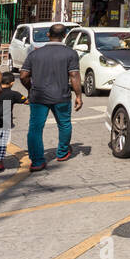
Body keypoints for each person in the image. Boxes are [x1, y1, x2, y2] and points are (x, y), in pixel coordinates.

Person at [20, 23, 83, 170]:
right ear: (64, 36)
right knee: (64, 124)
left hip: (38, 97)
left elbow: (23, 75)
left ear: (48, 35)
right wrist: (79, 96)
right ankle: (62, 153)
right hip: (61, 96)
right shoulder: (70, 53)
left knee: (35, 128)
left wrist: (31, 88)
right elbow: (74, 75)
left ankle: (37, 161)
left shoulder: (35, 54)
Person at [0, 71, 27, 171]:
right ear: (12, 83)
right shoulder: (13, 94)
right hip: (5, 120)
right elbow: (26, 101)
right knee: (2, 142)